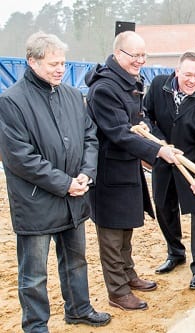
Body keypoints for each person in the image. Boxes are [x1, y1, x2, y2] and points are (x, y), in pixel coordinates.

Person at [0, 32, 111, 332]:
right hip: (36, 202)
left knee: (76, 261)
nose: (61, 69)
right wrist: (65, 183)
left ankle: (79, 309)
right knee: (34, 274)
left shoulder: (74, 96)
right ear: (32, 62)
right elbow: (20, 158)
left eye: (62, 62)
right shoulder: (11, 102)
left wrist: (87, 173)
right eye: (53, 64)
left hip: (74, 196)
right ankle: (36, 326)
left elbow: (90, 137)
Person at [85, 31, 180, 310]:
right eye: (135, 55)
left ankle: (128, 275)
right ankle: (117, 291)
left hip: (127, 168)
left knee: (126, 227)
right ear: (118, 54)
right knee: (112, 233)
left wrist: (157, 140)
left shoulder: (130, 81)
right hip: (108, 172)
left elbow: (138, 123)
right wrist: (157, 152)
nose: (140, 61)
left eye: (143, 55)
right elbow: (119, 133)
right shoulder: (104, 89)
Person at [143, 51, 195, 289]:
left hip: (192, 162)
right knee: (164, 207)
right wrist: (159, 143)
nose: (192, 80)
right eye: (188, 74)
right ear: (177, 71)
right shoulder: (158, 86)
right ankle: (175, 252)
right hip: (163, 158)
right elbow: (146, 116)